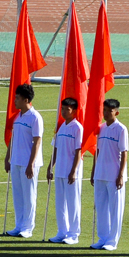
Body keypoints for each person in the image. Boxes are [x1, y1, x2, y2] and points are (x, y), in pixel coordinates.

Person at [89, 98, 129, 250]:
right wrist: (94, 170)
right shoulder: (101, 128)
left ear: (116, 113)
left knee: (115, 209)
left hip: (114, 175)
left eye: (109, 111)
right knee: (101, 208)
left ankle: (112, 241)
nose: (106, 113)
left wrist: (121, 175)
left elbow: (124, 153)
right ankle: (103, 238)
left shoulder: (121, 129)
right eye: (104, 110)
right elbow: (97, 151)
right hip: (100, 173)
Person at [5, 83, 44, 238]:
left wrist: (31, 164)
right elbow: (13, 138)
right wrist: (8, 157)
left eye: (17, 98)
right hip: (16, 161)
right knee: (18, 195)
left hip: (29, 164)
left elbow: (37, 141)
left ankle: (28, 228)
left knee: (29, 196)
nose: (15, 101)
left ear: (26, 100)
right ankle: (19, 225)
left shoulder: (35, 117)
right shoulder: (18, 117)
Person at [46, 96, 85, 244]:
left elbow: (78, 151)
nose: (63, 112)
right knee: (60, 203)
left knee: (73, 203)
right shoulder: (61, 127)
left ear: (74, 111)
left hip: (71, 173)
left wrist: (74, 171)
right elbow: (55, 149)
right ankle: (62, 231)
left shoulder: (77, 128)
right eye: (62, 109)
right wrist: (50, 166)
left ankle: (73, 234)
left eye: (66, 109)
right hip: (60, 171)